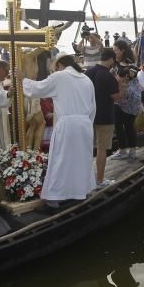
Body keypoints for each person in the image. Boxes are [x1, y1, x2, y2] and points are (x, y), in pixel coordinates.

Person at [22, 55, 97, 209]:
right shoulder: (86, 80)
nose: (53, 71)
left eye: (55, 67)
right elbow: (93, 107)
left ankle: (54, 197)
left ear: (60, 65)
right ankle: (80, 191)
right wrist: (87, 123)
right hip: (85, 124)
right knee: (81, 160)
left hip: (67, 124)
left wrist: (22, 79)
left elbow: (37, 89)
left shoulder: (60, 77)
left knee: (60, 160)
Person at [86, 49, 120, 187]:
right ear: (111, 59)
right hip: (105, 117)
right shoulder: (108, 76)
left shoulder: (88, 73)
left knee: (87, 148)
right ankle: (99, 180)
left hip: (88, 116)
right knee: (101, 149)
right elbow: (117, 98)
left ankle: (86, 179)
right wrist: (121, 83)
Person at [112, 62, 142, 160]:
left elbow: (121, 96)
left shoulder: (125, 82)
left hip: (125, 107)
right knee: (129, 126)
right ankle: (132, 151)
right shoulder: (135, 80)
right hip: (135, 107)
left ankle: (123, 151)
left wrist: (121, 85)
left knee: (119, 126)